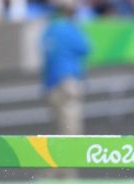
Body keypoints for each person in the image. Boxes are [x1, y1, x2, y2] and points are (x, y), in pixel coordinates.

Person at [42, 0, 90, 135]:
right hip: (69, 80)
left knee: (58, 125)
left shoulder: (49, 30)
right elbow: (85, 48)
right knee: (71, 125)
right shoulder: (70, 28)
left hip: (52, 82)